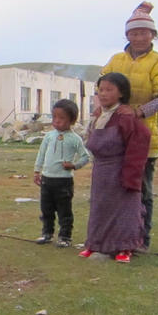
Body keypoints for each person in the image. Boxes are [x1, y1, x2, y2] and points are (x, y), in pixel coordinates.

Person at [100, 2, 158, 249]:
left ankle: (140, 239)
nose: (139, 37)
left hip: (144, 137)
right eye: (134, 33)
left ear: (153, 35)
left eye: (144, 32)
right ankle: (113, 237)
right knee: (111, 189)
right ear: (127, 35)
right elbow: (101, 87)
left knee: (140, 190)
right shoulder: (115, 60)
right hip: (113, 136)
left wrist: (137, 112)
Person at [80, 73, 151, 263]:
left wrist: (132, 176)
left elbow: (140, 141)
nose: (103, 94)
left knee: (124, 210)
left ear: (121, 93)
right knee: (100, 208)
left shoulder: (125, 117)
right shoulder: (99, 116)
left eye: (109, 90)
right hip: (101, 172)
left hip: (121, 171)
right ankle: (96, 244)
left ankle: (124, 248)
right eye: (100, 90)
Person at [33, 99, 91, 247]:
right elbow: (41, 153)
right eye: (54, 117)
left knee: (64, 211)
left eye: (61, 118)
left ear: (71, 120)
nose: (57, 121)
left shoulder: (75, 139)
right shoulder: (49, 136)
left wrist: (74, 165)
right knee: (46, 209)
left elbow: (86, 157)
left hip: (64, 181)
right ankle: (47, 233)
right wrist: (37, 171)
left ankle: (65, 237)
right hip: (47, 179)